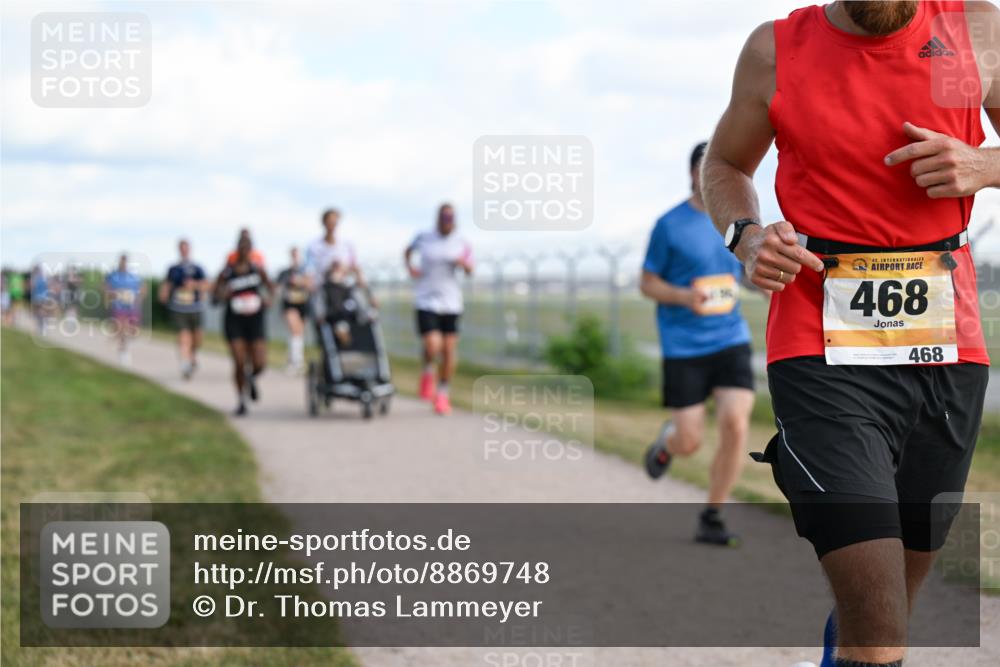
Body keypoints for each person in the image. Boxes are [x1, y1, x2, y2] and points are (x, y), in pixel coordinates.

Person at [702, 2, 999, 665]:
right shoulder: (776, 50)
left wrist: (984, 166)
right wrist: (748, 238)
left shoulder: (976, 29)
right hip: (820, 349)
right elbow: (724, 164)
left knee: (890, 597)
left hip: (949, 351)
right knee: (878, 618)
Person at [640, 142, 755, 546]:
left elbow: (746, 273)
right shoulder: (669, 225)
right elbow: (647, 282)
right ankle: (669, 442)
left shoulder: (738, 224)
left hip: (730, 338)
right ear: (696, 174)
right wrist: (685, 297)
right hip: (684, 346)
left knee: (736, 422)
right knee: (690, 442)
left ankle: (713, 515)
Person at [404, 203, 473, 416]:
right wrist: (411, 268)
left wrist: (464, 264)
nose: (447, 222)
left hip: (451, 302)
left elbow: (470, 269)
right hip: (426, 299)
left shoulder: (462, 242)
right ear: (438, 218)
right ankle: (427, 371)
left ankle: (442, 394)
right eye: (444, 218)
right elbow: (407, 251)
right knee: (433, 345)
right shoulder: (424, 237)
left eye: (451, 218)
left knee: (449, 349)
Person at [214, 233, 274, 416]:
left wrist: (267, 300)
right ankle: (241, 399)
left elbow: (271, 288)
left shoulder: (257, 269)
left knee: (260, 362)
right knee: (239, 361)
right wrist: (223, 295)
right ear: (237, 250)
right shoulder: (228, 271)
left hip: (255, 318)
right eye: (242, 248)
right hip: (235, 319)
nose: (245, 251)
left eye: (248, 248)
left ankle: (251, 377)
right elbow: (216, 291)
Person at [159, 239, 208, 379]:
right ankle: (185, 363)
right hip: (179, 308)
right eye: (182, 248)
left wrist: (195, 285)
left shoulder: (197, 268)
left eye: (186, 248)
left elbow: (206, 285)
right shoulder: (173, 269)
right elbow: (167, 284)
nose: (184, 250)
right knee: (184, 336)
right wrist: (163, 294)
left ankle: (192, 355)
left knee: (197, 338)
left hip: (195, 307)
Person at [275, 246, 312, 373]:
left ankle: (292, 359)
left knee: (298, 333)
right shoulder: (285, 273)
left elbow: (311, 285)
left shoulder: (306, 271)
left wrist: (302, 282)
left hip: (303, 304)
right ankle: (297, 362)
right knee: (295, 330)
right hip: (290, 304)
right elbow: (277, 287)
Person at [105, 254, 146, 365]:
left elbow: (143, 287)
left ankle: (123, 341)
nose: (123, 264)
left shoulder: (133, 276)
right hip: (118, 306)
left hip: (132, 306)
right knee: (122, 327)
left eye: (124, 261)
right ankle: (123, 351)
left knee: (133, 330)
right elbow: (106, 287)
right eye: (121, 261)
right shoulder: (113, 275)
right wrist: (110, 295)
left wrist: (139, 298)